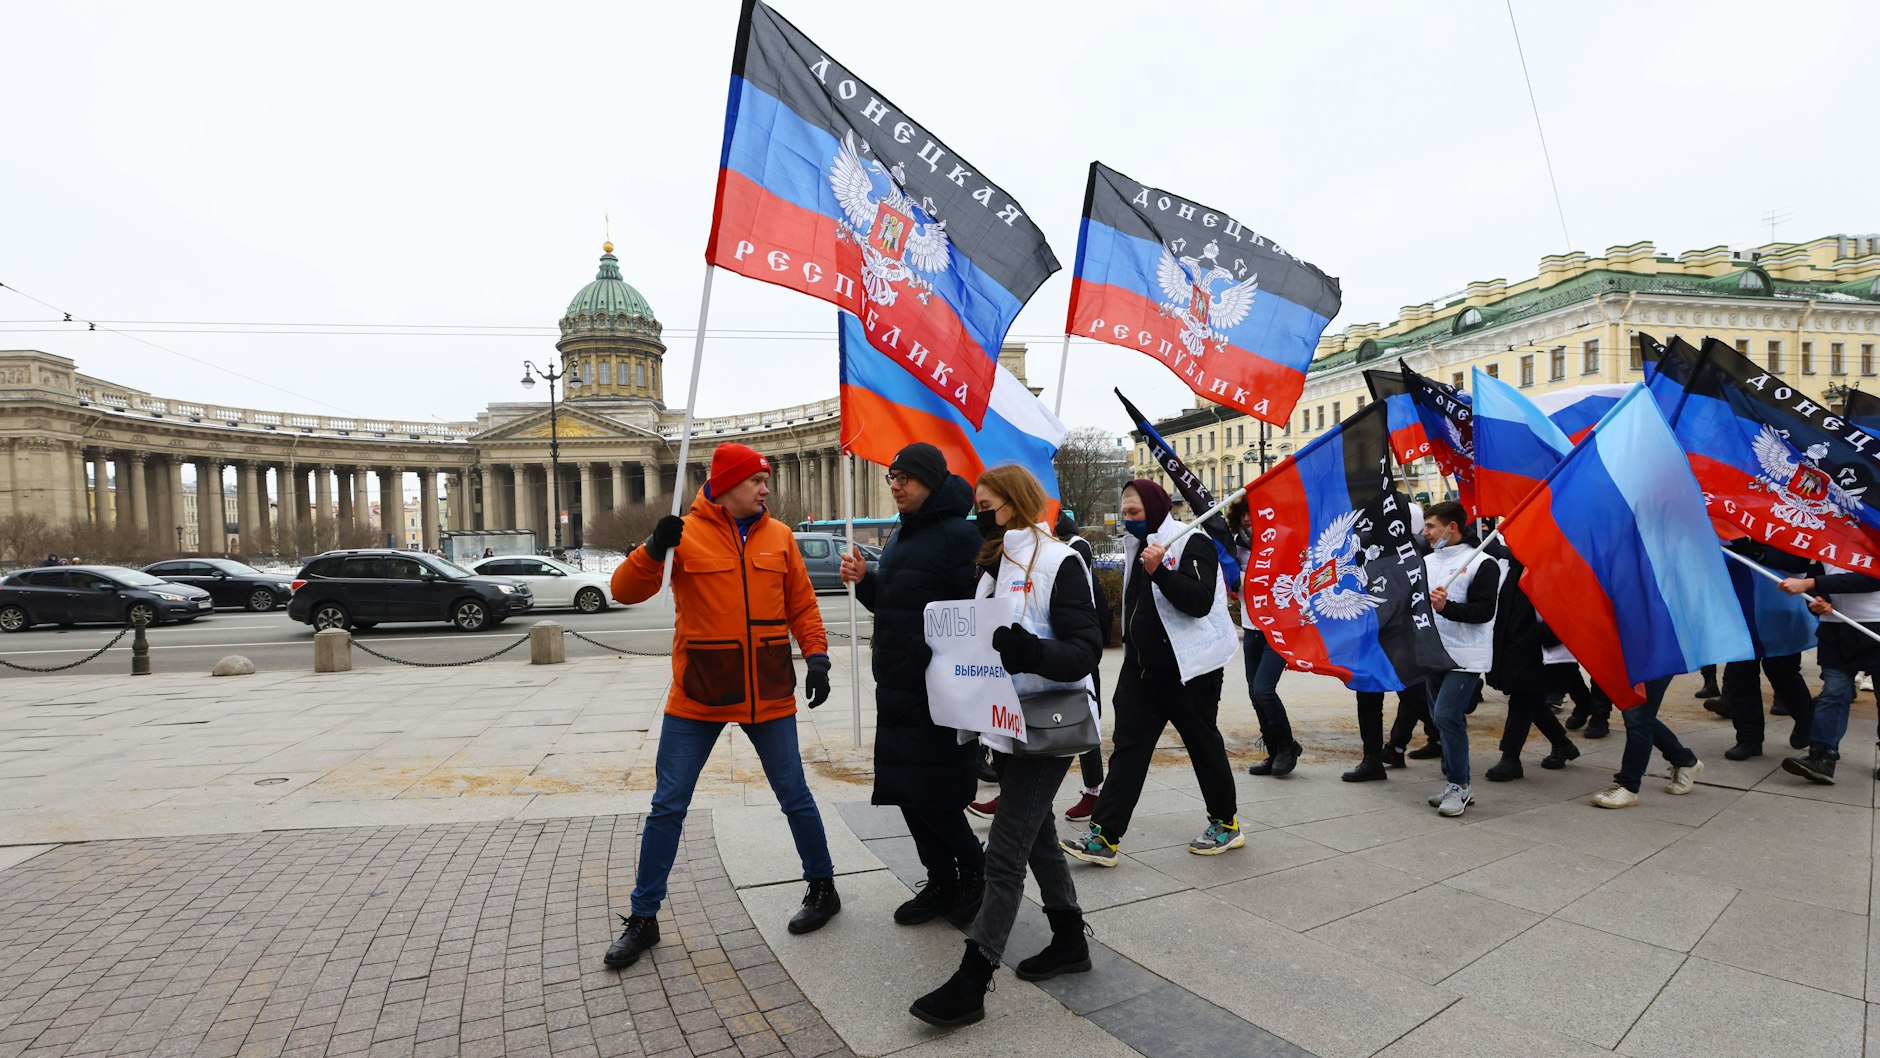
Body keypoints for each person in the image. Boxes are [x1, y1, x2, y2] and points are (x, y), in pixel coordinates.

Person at [601, 443, 837, 969]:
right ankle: (644, 918)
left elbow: (801, 603)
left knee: (795, 795)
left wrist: (817, 657)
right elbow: (623, 590)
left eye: (766, 480)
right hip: (699, 695)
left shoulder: (779, 537)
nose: (766, 488)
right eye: (757, 480)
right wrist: (652, 549)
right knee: (668, 807)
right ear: (728, 484)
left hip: (770, 691)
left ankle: (823, 887)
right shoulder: (683, 533)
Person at [908, 465, 1104, 1027]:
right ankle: (1069, 938)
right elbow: (980, 641)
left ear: (1014, 505)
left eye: (986, 507)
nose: (977, 515)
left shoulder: (1061, 562)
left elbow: (1085, 651)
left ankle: (974, 980)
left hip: (1049, 725)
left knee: (1005, 853)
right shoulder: (994, 562)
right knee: (1036, 835)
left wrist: (1031, 653)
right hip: (1007, 721)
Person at [838, 443, 986, 927]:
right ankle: (939, 879)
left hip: (937, 694)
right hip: (898, 686)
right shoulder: (903, 535)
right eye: (891, 477)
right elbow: (897, 605)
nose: (895, 485)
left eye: (904, 477)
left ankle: (974, 873)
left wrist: (936, 652)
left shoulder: (960, 538)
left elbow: (973, 620)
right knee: (907, 791)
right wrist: (868, 582)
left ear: (931, 481)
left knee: (936, 795)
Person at [1063, 479, 1243, 867]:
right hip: (1142, 670)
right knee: (1128, 748)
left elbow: (1197, 601)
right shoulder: (1136, 547)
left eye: (1135, 513)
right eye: (1125, 513)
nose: (1128, 521)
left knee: (1201, 743)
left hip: (1189, 669)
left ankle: (1225, 822)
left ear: (1156, 508)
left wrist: (1159, 571)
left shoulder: (1189, 542)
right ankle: (1104, 836)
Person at [1422, 501, 1500, 818]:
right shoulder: (1425, 562)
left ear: (1451, 527)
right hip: (1431, 652)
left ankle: (1460, 786)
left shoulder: (1483, 562)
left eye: (1431, 526)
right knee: (1440, 719)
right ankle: (1453, 782)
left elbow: (1484, 612)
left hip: (1465, 657)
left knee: (1448, 715)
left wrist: (1447, 608)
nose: (1425, 532)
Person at [1776, 565, 1880, 785]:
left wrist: (1811, 584)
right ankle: (1822, 756)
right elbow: (1813, 574)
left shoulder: (1874, 532)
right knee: (1833, 693)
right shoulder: (1826, 535)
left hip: (1875, 625)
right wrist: (1815, 600)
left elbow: (1873, 577)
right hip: (1835, 628)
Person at [1482, 553, 1579, 781]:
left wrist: (1544, 636)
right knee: (1529, 700)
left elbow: (1563, 609)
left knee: (1522, 699)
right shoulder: (1508, 565)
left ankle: (1510, 757)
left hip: (1537, 650)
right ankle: (1562, 743)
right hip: (1512, 644)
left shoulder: (1550, 566)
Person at [1230, 498, 1300, 778]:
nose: (1248, 518)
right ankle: (1273, 750)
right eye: (1244, 513)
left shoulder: (1281, 541)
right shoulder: (1234, 545)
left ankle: (1287, 746)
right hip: (1251, 625)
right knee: (1254, 693)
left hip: (1279, 627)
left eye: (1253, 512)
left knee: (1263, 689)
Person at [1589, 675, 1703, 808]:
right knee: (1637, 714)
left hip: (1652, 658)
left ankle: (1628, 786)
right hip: (1629, 658)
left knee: (1638, 715)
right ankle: (1684, 760)